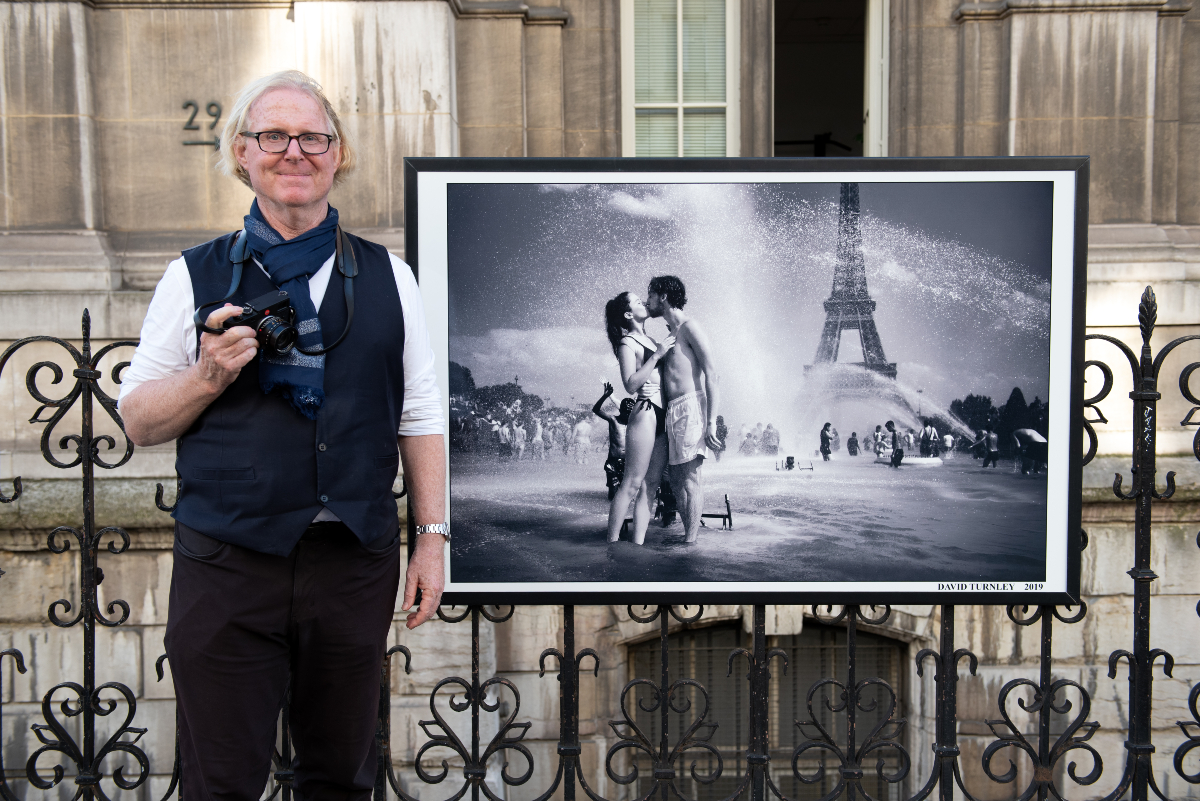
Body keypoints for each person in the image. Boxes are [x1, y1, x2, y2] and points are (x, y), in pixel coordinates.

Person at [116, 71, 446, 798]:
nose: (293, 151)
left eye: (312, 137)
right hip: (229, 563)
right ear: (242, 152)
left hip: (350, 562)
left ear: (338, 154)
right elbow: (136, 419)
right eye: (273, 136)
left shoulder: (390, 275)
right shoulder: (192, 274)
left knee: (341, 778)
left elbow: (419, 412)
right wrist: (206, 376)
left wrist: (431, 536)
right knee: (221, 781)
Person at [646, 275, 721, 544]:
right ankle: (688, 538)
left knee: (690, 480)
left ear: (663, 295)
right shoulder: (669, 336)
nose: (647, 300)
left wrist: (711, 421)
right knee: (677, 482)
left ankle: (690, 545)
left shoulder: (690, 327)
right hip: (672, 412)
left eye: (651, 294)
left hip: (690, 406)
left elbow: (712, 374)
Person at [604, 292, 675, 543]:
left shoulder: (653, 339)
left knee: (651, 486)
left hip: (663, 415)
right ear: (627, 314)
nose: (643, 303)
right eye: (637, 302)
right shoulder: (628, 344)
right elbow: (630, 384)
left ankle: (638, 544)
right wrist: (657, 355)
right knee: (631, 483)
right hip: (645, 412)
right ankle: (611, 544)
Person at [593, 382, 635, 500]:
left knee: (627, 492)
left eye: (630, 413)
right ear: (620, 411)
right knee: (613, 490)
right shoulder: (613, 420)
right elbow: (596, 410)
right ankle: (609, 514)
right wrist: (605, 396)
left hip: (629, 462)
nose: (627, 416)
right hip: (613, 461)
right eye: (626, 413)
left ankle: (626, 515)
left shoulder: (635, 423)